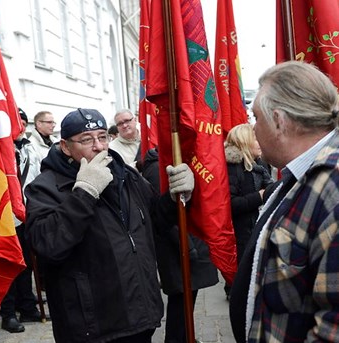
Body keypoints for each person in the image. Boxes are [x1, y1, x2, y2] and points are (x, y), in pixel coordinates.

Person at [25, 108, 195, 342]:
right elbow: (47, 244)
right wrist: (85, 192)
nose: (98, 146)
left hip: (140, 314)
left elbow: (155, 220)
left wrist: (176, 198)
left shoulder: (126, 175)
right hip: (93, 327)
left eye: (103, 136)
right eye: (86, 140)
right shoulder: (46, 187)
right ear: (65, 146)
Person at [229, 61, 339, 342]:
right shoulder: (300, 174)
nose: (252, 129)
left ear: (278, 120)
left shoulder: (333, 188)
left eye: (255, 118)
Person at [140, 147, 218, 343]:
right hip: (178, 250)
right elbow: (164, 214)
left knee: (186, 304)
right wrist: (189, 248)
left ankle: (184, 337)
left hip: (187, 246)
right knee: (180, 306)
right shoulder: (158, 168)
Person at [0, 108, 46, 333]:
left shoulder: (29, 147)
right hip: (4, 216)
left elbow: (36, 177)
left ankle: (27, 305)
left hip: (27, 213)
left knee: (26, 263)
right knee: (9, 264)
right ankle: (7, 313)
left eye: (23, 123)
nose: (20, 128)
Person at [224, 124, 273, 265]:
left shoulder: (259, 165)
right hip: (240, 238)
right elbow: (230, 204)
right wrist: (259, 197)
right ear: (244, 142)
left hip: (257, 232)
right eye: (256, 139)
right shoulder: (232, 167)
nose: (260, 143)